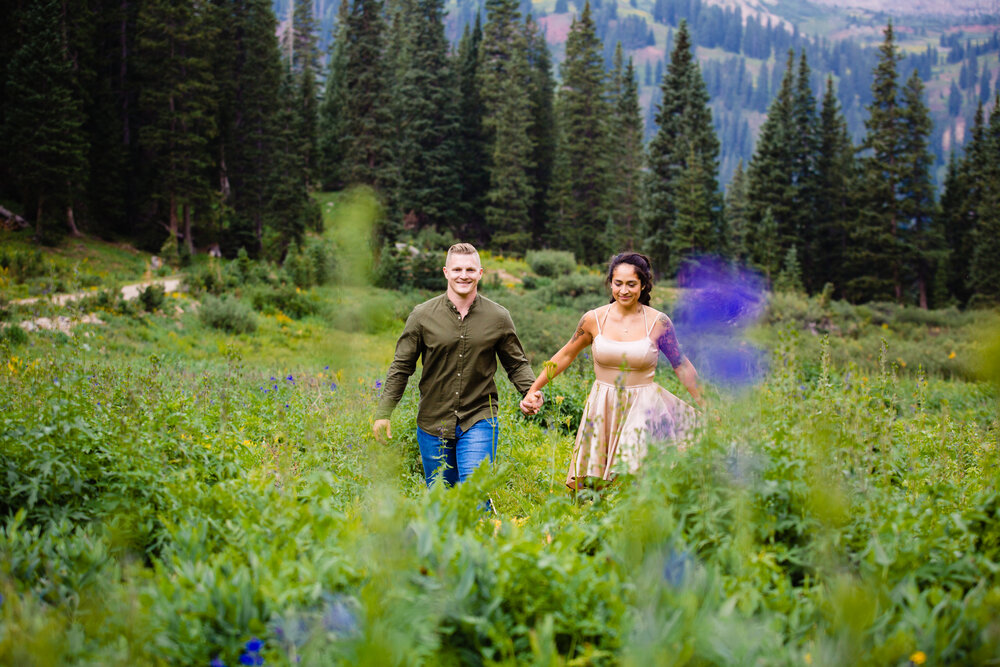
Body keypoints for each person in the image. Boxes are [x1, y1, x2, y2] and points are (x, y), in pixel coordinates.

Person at [520, 252, 702, 490]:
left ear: (644, 285)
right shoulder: (593, 319)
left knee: (635, 481)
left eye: (631, 284)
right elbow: (565, 355)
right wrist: (534, 389)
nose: (623, 291)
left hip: (644, 408)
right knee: (596, 488)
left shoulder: (659, 323)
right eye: (618, 283)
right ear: (610, 283)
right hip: (602, 405)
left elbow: (681, 365)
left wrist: (708, 404)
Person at [373, 243, 541, 488]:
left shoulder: (498, 317)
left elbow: (516, 364)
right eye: (457, 269)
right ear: (446, 272)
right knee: (442, 497)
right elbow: (401, 367)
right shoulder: (422, 316)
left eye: (470, 270)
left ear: (480, 273)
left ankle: (479, 525)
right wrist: (383, 413)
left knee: (474, 492)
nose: (464, 275)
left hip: (480, 417)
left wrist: (530, 392)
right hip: (433, 421)